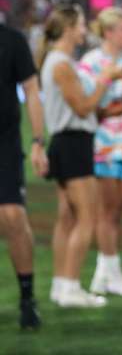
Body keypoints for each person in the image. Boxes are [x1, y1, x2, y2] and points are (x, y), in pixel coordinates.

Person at [39, 4, 122, 308]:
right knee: (86, 218)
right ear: (68, 29)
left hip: (68, 141)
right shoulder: (61, 64)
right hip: (74, 143)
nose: (84, 30)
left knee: (67, 219)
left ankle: (60, 286)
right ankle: (72, 288)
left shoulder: (58, 61)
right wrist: (107, 78)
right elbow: (82, 107)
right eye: (80, 25)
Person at [79, 7, 122, 297]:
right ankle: (112, 275)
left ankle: (102, 274)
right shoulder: (91, 62)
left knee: (117, 211)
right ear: (109, 32)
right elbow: (88, 105)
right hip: (103, 142)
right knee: (106, 211)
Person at [0, 19, 48, 328]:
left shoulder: (12, 40)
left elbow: (31, 89)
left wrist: (38, 142)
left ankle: (27, 298)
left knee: (13, 216)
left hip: (4, 143)